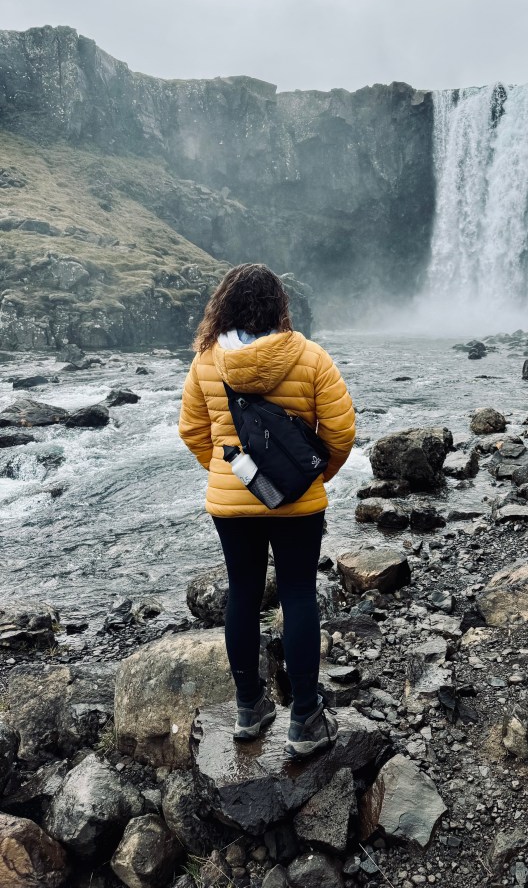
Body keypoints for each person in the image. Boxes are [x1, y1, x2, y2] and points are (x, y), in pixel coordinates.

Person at [178, 263, 355, 759]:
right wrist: (312, 479)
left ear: (225, 305)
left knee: (243, 595)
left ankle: (249, 708)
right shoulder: (310, 356)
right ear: (280, 306)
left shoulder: (205, 362)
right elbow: (341, 432)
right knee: (298, 593)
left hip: (231, 501)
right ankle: (305, 717)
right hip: (299, 503)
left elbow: (192, 432)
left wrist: (227, 474)